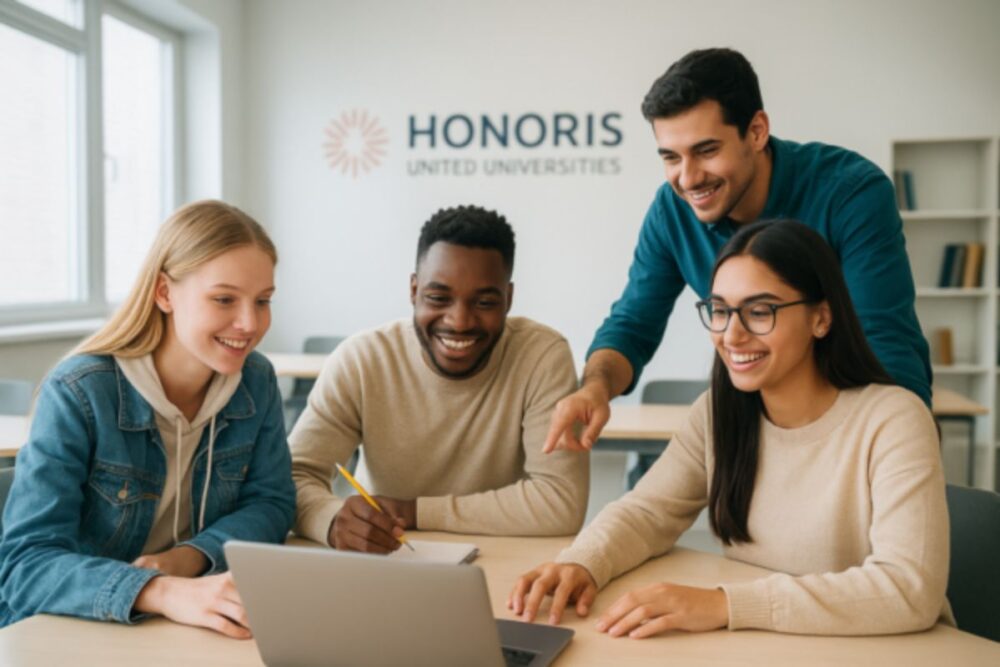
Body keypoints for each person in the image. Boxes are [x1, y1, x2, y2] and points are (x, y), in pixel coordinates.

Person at [510, 220, 950, 637]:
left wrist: (724, 606)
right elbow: (646, 513)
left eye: (760, 311)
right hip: (771, 647)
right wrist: (583, 563)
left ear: (821, 318)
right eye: (719, 311)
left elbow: (908, 588)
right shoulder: (719, 413)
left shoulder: (894, 419)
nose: (731, 335)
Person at [544, 48, 931, 468]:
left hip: (862, 427)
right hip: (758, 423)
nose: (688, 178)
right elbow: (632, 324)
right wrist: (594, 388)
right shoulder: (672, 211)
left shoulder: (851, 191)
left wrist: (893, 450)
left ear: (758, 131)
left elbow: (883, 342)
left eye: (706, 150)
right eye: (671, 157)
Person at [0, 200, 296, 639]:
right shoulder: (80, 391)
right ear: (164, 293)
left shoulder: (256, 380)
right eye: (224, 299)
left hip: (179, 625)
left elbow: (271, 503)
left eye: (263, 301)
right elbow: (26, 566)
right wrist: (161, 590)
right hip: (66, 631)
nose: (249, 323)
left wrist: (191, 557)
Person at [290, 205, 588, 553]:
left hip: (503, 561)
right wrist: (331, 521)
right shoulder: (362, 360)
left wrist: (413, 511)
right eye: (438, 298)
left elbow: (560, 501)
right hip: (385, 558)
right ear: (413, 291)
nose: (459, 321)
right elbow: (291, 478)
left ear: (508, 299)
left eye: (484, 302)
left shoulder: (542, 356)